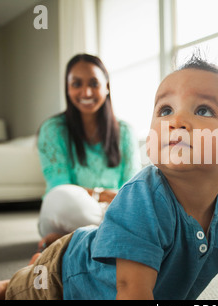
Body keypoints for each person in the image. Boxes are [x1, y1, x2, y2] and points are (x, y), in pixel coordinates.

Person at [0, 56, 218, 300]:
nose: (177, 120)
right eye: (165, 110)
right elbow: (132, 290)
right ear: (151, 142)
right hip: (65, 275)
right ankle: (20, 276)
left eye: (203, 110)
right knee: (14, 292)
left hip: (100, 229)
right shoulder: (144, 198)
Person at [36, 54, 141, 250]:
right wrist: (102, 194)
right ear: (68, 89)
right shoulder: (53, 129)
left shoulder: (125, 132)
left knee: (142, 207)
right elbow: (60, 186)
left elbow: (132, 190)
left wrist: (111, 201)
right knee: (62, 198)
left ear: (107, 86)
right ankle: (108, 239)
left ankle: (69, 243)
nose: (86, 91)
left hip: (114, 211)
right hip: (67, 211)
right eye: (76, 84)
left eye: (94, 83)